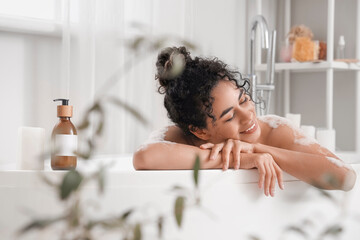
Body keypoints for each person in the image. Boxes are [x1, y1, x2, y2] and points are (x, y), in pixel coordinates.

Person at [133, 46, 356, 197]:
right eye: (230, 116)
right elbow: (144, 157)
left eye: (244, 99)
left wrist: (257, 148)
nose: (249, 115)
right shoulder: (180, 136)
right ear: (199, 131)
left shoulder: (275, 130)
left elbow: (344, 177)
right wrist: (241, 159)